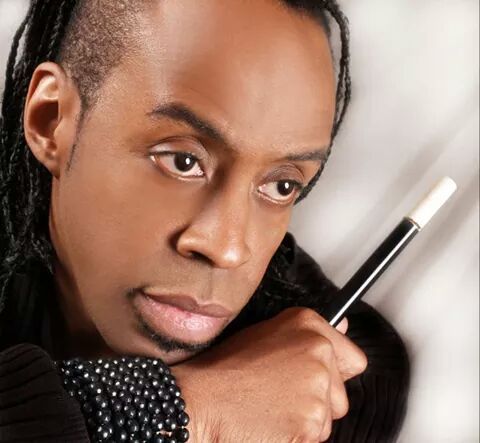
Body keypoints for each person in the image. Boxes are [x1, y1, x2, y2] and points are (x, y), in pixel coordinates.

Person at [0, 1, 410, 442]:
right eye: (182, 160)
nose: (227, 248)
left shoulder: (339, 381)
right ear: (52, 121)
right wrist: (185, 407)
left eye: (282, 186)